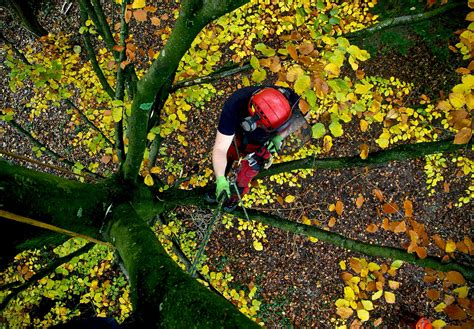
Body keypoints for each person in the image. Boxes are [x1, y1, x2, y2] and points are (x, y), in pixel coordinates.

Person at [210, 86, 301, 211]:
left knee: (249, 170)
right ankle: (220, 184)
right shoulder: (235, 104)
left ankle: (234, 196)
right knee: (229, 154)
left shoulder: (292, 101)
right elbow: (220, 148)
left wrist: (280, 136)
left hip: (264, 142)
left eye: (262, 125)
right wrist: (220, 179)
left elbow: (302, 117)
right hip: (239, 134)